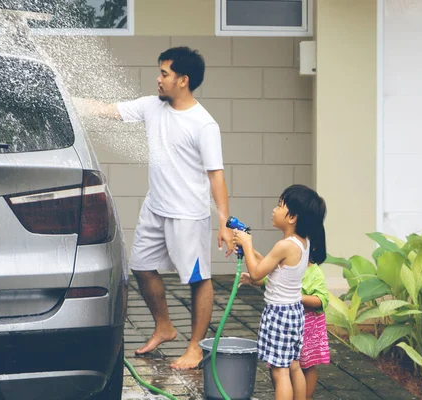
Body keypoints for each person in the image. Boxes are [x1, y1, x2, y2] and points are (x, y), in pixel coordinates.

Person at [73, 46, 233, 370]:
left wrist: (224, 221)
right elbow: (107, 110)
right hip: (155, 206)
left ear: (183, 80)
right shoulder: (152, 106)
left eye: (164, 74)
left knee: (198, 280)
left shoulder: (204, 124)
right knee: (141, 266)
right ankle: (165, 327)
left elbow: (216, 175)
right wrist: (67, 99)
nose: (158, 79)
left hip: (188, 214)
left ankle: (196, 348)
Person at [232, 184, 327, 400]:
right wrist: (252, 253)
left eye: (279, 205)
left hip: (279, 314)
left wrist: (247, 244)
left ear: (292, 217)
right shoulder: (303, 243)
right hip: (294, 313)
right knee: (293, 365)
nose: (274, 210)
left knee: (279, 370)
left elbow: (257, 273)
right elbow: (274, 272)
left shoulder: (284, 246)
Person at [240, 260, 331, 400]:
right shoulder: (284, 268)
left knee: (306, 363)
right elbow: (266, 280)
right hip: (284, 322)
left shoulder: (314, 272)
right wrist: (251, 280)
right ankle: (284, 393)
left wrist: (297, 297)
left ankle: (306, 396)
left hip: (308, 325)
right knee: (279, 364)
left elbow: (321, 299)